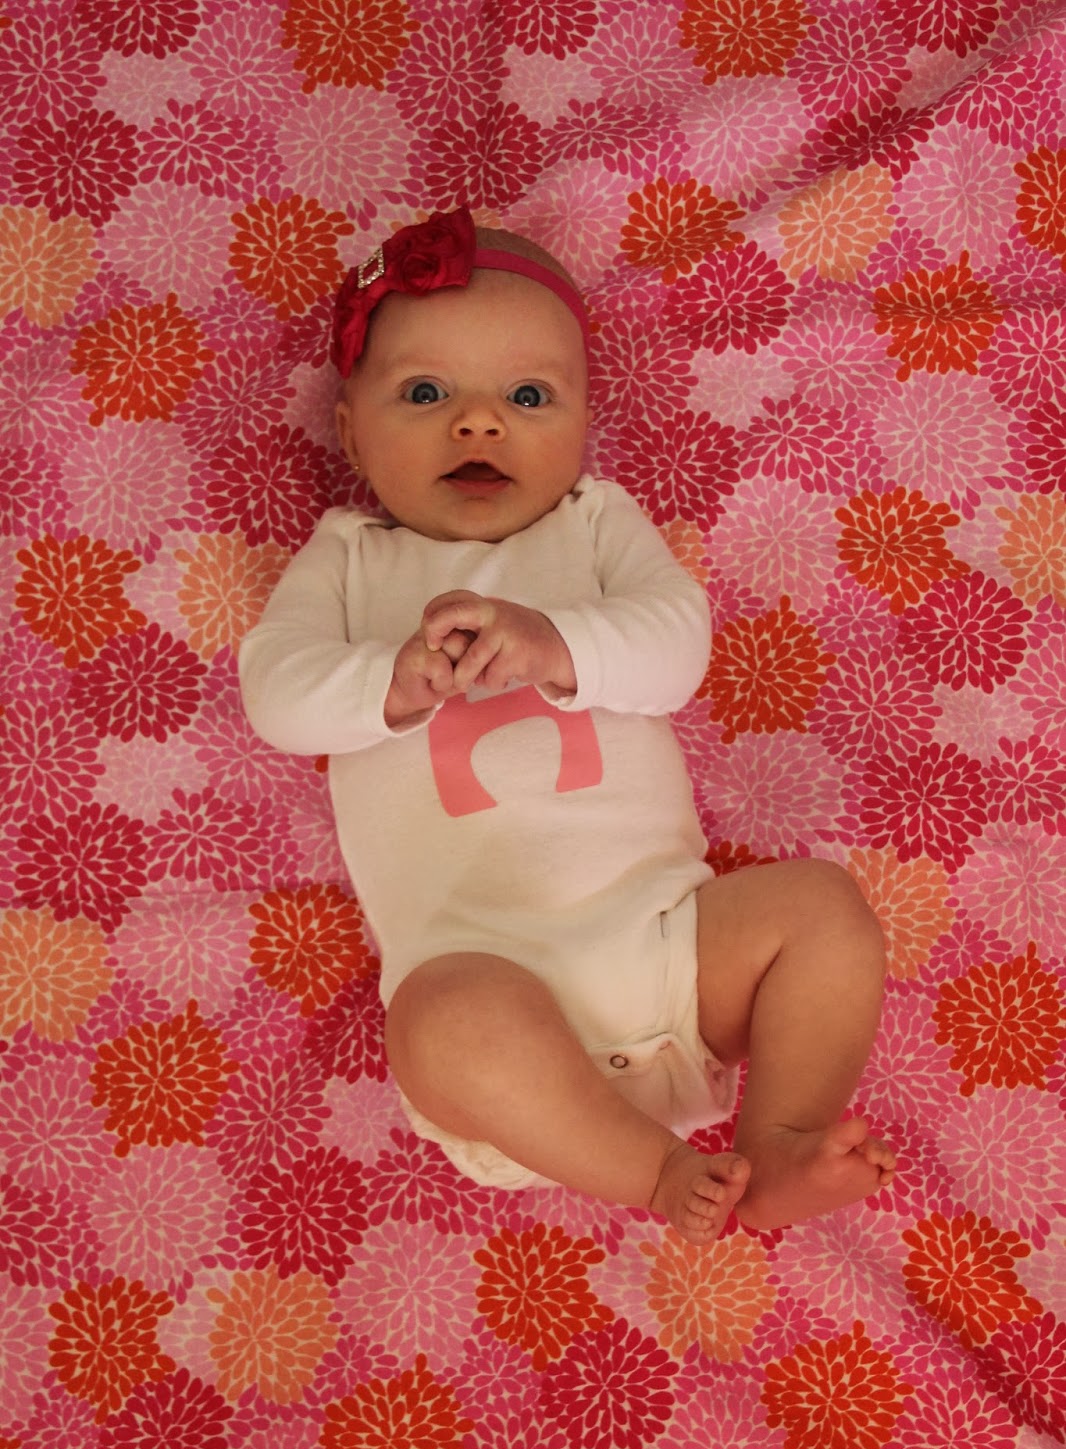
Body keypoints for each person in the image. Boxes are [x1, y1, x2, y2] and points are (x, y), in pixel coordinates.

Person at [239, 206, 895, 1246]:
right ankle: (659, 1173)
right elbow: (275, 691)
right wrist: (385, 685)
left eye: (529, 396)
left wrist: (557, 646)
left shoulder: (594, 525)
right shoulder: (350, 559)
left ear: (586, 419)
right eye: (426, 393)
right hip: (495, 1008)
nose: (479, 424)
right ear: (351, 430)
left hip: (673, 953)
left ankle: (778, 1138)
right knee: (438, 1019)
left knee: (821, 909)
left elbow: (677, 648)